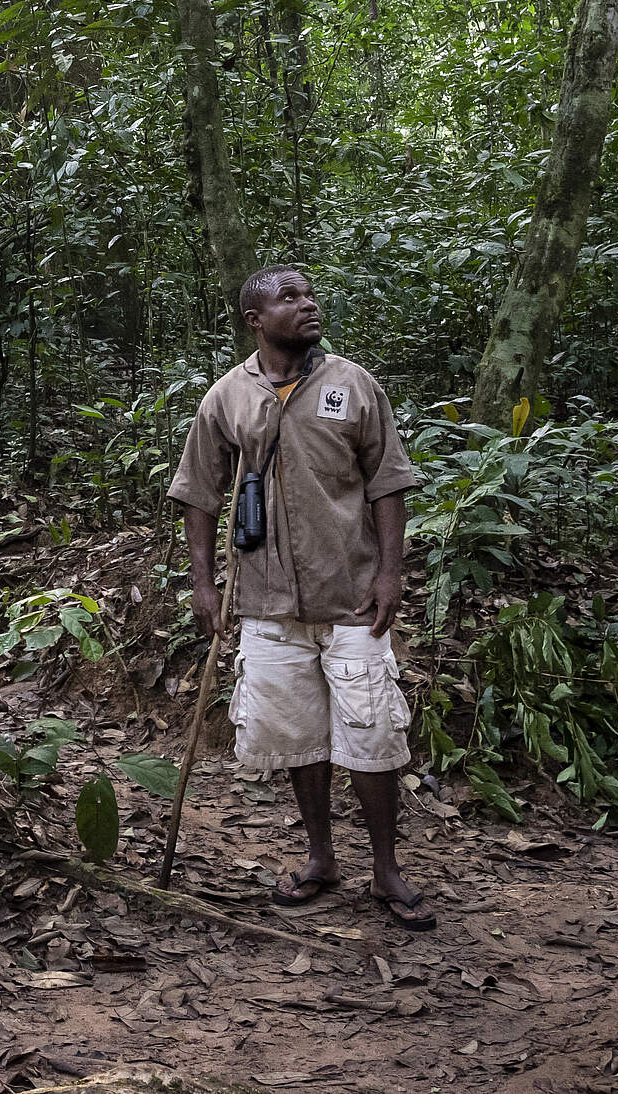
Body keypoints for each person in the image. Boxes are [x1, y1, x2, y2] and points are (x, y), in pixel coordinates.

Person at [166, 265, 433, 931]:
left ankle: (385, 867)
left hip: (352, 597)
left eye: (309, 294)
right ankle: (320, 858)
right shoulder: (227, 396)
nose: (308, 305)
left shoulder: (352, 383)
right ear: (255, 319)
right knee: (298, 738)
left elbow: (388, 482)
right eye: (290, 297)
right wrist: (204, 585)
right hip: (266, 601)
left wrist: (390, 574)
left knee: (372, 735)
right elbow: (198, 493)